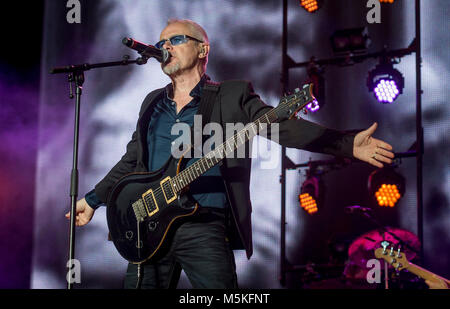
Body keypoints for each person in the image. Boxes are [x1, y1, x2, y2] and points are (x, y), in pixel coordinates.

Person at [65, 19, 395, 289]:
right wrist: (94, 199)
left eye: (175, 39)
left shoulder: (230, 95)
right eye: (161, 42)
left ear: (202, 49)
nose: (165, 47)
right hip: (148, 229)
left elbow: (283, 128)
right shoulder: (152, 102)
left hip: (204, 226)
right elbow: (131, 160)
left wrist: (346, 144)